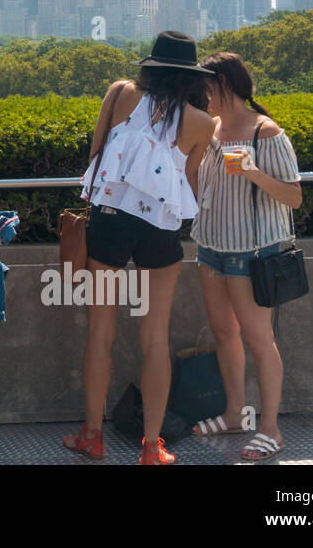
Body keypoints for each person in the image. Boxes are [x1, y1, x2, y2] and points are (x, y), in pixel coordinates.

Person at [62, 31, 215, 465]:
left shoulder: (121, 94)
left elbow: (96, 154)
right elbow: (189, 184)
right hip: (160, 230)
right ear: (193, 77)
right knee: (154, 337)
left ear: (150, 66)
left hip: (110, 221)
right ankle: (151, 447)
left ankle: (92, 435)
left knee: (100, 333)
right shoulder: (203, 123)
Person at [189, 51, 302, 462]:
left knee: (259, 339)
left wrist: (254, 172)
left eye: (207, 87)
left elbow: (294, 195)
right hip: (211, 246)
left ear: (224, 84)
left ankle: (270, 429)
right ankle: (235, 413)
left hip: (251, 251)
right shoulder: (213, 128)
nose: (203, 96)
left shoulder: (266, 132)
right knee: (223, 333)